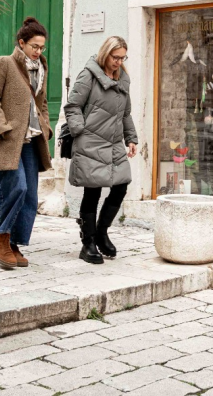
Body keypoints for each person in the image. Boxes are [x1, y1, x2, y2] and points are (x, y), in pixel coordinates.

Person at [0, 17, 54, 269]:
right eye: (34, 46)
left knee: (31, 196)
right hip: (9, 140)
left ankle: (13, 244)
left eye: (42, 47)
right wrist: (2, 127)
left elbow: (41, 102)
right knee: (17, 188)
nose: (38, 51)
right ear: (21, 43)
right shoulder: (4, 63)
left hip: (32, 141)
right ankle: (1, 239)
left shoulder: (42, 68)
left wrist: (45, 126)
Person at [65, 35, 138, 264]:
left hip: (114, 143)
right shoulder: (89, 75)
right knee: (93, 191)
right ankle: (88, 244)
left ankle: (101, 231)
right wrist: (80, 131)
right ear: (105, 54)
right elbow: (73, 106)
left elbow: (125, 113)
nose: (118, 61)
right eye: (115, 57)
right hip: (91, 140)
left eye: (122, 57)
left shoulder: (123, 79)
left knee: (121, 185)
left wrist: (131, 139)